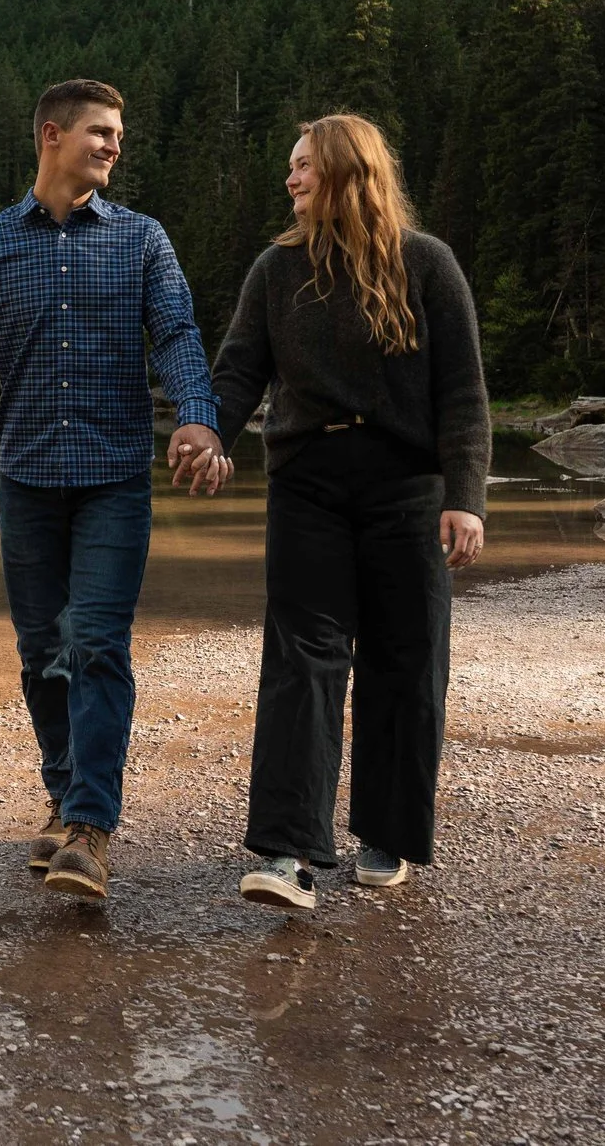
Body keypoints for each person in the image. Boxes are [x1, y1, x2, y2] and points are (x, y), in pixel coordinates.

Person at [0, 78, 228, 903]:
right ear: (52, 136)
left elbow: (176, 333)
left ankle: (92, 828)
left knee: (98, 642)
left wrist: (198, 419)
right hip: (27, 479)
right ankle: (65, 795)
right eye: (100, 132)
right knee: (42, 653)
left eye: (119, 135)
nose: (114, 146)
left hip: (113, 481)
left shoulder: (142, 240)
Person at [206, 113, 489, 911]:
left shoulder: (427, 265)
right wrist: (209, 431)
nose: (290, 179)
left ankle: (387, 835)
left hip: (407, 489)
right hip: (308, 486)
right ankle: (287, 852)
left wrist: (466, 499)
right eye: (290, 167)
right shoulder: (276, 269)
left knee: (406, 659)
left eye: (303, 166)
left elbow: (463, 396)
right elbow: (236, 374)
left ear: (344, 171)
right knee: (303, 658)